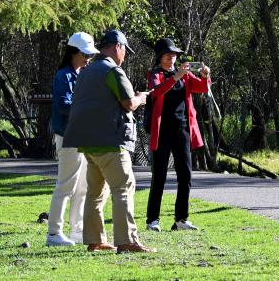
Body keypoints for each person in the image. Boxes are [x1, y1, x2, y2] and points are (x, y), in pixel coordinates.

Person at [62, 29, 154, 254]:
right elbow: (128, 104)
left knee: (95, 193)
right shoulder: (113, 71)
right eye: (125, 50)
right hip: (111, 143)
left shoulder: (85, 71)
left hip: (89, 144)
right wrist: (141, 98)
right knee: (123, 188)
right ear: (117, 47)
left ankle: (95, 240)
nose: (124, 56)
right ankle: (127, 241)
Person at [144, 38, 211, 232]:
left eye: (174, 55)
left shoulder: (184, 74)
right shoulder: (155, 74)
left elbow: (202, 88)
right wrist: (175, 77)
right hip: (162, 131)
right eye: (167, 55)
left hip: (182, 129)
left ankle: (181, 219)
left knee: (185, 175)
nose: (172, 58)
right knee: (159, 176)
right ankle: (152, 220)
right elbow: (156, 92)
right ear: (160, 57)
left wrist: (206, 76)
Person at [45, 31, 98, 246]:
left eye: (90, 55)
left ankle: (77, 230)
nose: (88, 59)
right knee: (66, 185)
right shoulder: (63, 76)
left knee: (82, 186)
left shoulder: (80, 74)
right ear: (73, 53)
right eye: (84, 54)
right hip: (68, 137)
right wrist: (88, 106)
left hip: (81, 136)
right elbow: (63, 106)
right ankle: (54, 233)